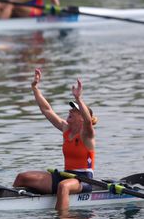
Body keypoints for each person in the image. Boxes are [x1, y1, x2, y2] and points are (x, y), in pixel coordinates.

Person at [13, 68, 97, 210]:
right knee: (22, 177)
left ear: (82, 118)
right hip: (65, 175)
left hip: (83, 180)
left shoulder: (87, 135)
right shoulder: (66, 129)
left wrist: (79, 99)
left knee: (63, 186)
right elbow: (47, 110)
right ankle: (10, 204)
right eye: (71, 109)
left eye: (74, 111)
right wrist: (35, 88)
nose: (70, 111)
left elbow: (88, 122)